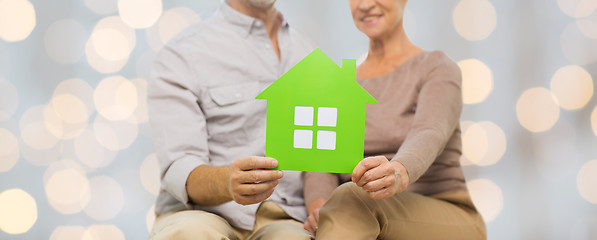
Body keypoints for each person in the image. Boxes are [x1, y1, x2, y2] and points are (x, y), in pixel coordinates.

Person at [302, 0, 487, 239]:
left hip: (443, 212)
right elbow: (321, 160)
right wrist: (320, 206)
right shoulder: (340, 83)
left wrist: (398, 172)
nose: (366, 4)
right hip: (359, 210)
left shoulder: (437, 67)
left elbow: (430, 131)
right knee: (348, 200)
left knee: (352, 196)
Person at [147, 0, 315, 239]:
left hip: (285, 216)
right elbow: (179, 168)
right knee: (191, 234)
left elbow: (319, 159)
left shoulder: (308, 51)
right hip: (201, 213)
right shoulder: (181, 55)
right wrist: (226, 182)